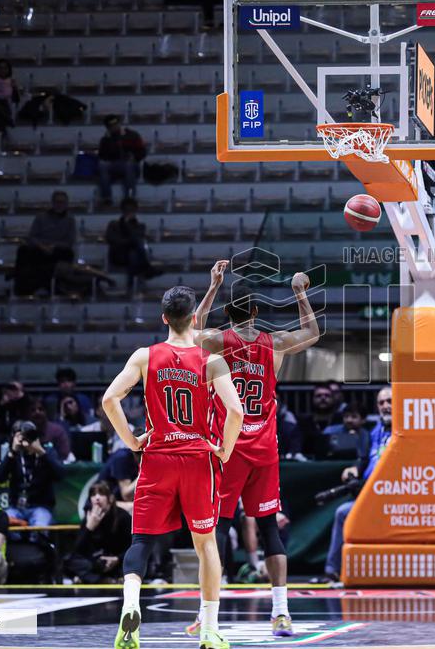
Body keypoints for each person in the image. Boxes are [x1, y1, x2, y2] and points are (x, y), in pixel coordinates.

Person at [102, 285, 243, 649]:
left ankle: (131, 605)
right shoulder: (210, 358)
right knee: (206, 543)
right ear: (194, 318)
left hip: (158, 459)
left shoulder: (145, 356)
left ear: (164, 318)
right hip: (198, 459)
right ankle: (209, 628)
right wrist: (225, 450)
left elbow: (110, 399)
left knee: (142, 542)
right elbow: (236, 412)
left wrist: (133, 442)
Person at [190, 260, 321, 637]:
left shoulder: (217, 340)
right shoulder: (274, 344)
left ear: (229, 313)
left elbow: (192, 327)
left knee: (217, 529)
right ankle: (281, 613)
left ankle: (206, 613)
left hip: (229, 448)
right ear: (256, 312)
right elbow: (312, 332)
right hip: (264, 448)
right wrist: (299, 292)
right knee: (269, 529)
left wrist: (213, 285)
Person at [321, 388, 392, 583]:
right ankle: (331, 571)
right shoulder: (375, 431)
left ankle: (332, 569)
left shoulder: (405, 432)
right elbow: (365, 459)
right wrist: (354, 470)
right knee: (343, 511)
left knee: (344, 512)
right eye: (381, 403)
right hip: (369, 495)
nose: (386, 406)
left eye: (390, 401)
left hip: (392, 497)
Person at [0, 420, 65, 529]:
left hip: (40, 507)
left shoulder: (47, 451)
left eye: (30, 435)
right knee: (3, 522)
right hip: (15, 507)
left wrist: (41, 452)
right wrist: (12, 452)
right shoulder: (13, 455)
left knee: (40, 526)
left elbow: (60, 475)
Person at [64, 481, 132, 584]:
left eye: (101, 494)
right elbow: (77, 550)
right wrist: (89, 528)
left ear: (110, 498)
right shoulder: (89, 517)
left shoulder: (122, 516)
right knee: (68, 561)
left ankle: (89, 579)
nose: (97, 498)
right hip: (96, 562)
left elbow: (132, 545)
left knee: (133, 563)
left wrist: (117, 559)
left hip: (117, 561)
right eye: (93, 494)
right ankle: (102, 580)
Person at [15, 190, 77, 296]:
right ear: (52, 203)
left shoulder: (70, 220)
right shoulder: (41, 217)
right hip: (40, 248)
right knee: (23, 251)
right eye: (57, 202)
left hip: (58, 250)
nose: (60, 205)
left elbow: (69, 241)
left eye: (62, 202)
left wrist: (53, 246)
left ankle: (41, 286)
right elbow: (32, 237)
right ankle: (22, 288)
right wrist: (42, 246)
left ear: (67, 204)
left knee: (67, 254)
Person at [106, 197, 160, 289]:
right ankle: (147, 268)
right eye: (127, 210)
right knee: (135, 247)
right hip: (118, 256)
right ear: (122, 211)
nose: (129, 213)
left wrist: (127, 225)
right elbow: (112, 240)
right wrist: (125, 225)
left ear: (136, 211)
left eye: (132, 210)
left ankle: (131, 284)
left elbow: (134, 238)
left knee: (133, 253)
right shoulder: (113, 224)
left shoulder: (140, 226)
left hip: (134, 256)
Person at [98, 114, 146, 204]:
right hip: (114, 164)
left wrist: (134, 157)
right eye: (111, 126)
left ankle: (129, 197)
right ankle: (106, 198)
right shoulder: (105, 139)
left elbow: (142, 151)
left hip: (132, 164)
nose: (114, 127)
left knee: (128, 165)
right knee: (102, 165)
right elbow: (102, 156)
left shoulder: (132, 135)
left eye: (115, 125)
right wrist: (108, 143)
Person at [27, 397, 72, 462]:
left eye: (40, 409)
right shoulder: (24, 432)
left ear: (46, 412)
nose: (37, 412)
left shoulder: (57, 431)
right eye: (33, 410)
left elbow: (64, 454)